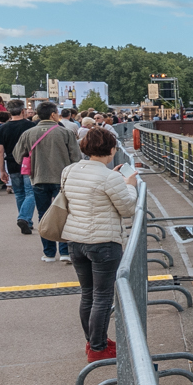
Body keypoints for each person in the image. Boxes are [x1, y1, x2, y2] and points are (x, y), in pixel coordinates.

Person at [59, 125, 137, 362]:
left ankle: (92, 341)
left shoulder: (69, 170)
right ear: (112, 149)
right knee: (103, 296)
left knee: (88, 294)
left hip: (75, 239)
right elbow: (127, 209)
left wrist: (114, 180)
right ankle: (98, 347)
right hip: (103, 242)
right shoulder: (110, 177)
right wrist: (129, 185)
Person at [17, 104, 81, 262]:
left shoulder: (28, 133)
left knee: (43, 215)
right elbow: (76, 158)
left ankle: (49, 252)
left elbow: (18, 155)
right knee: (64, 214)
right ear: (53, 115)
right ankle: (65, 251)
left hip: (38, 178)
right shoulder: (65, 133)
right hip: (62, 179)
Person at [0, 109, 35, 233]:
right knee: (30, 192)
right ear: (23, 111)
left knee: (19, 193)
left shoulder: (2, 128)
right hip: (29, 162)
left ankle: (25, 219)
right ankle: (25, 218)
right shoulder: (31, 126)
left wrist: (1, 170)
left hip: (12, 163)